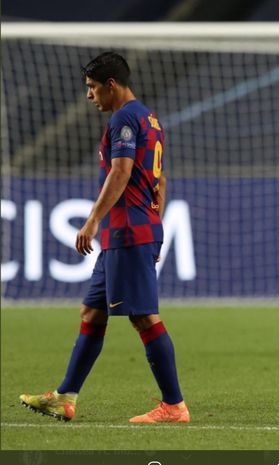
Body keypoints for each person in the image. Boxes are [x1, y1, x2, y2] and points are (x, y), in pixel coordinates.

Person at [19, 52, 189, 423]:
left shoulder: (124, 118)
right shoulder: (150, 117)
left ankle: (174, 405)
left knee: (144, 317)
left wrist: (93, 219)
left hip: (127, 230)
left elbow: (121, 172)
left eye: (93, 88)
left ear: (111, 85)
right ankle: (65, 397)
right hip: (130, 231)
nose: (89, 95)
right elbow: (159, 179)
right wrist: (154, 223)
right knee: (92, 312)